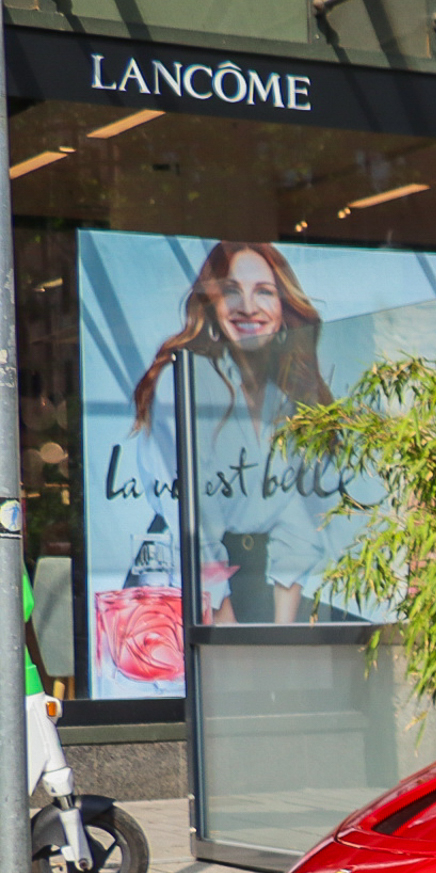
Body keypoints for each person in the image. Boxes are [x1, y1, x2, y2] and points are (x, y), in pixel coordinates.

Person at [129, 242, 336, 624]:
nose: (248, 306)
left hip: (259, 593)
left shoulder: (286, 395)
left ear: (283, 307)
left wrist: (281, 632)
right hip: (190, 589)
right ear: (210, 306)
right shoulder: (187, 381)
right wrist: (223, 622)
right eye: (231, 291)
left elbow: (295, 517)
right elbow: (192, 516)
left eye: (264, 291)